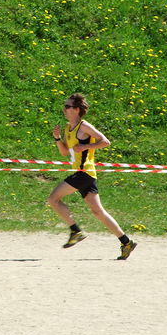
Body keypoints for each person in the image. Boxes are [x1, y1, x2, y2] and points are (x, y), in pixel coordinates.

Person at [47, 93, 137, 260]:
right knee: (97, 211)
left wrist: (86, 146)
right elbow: (65, 152)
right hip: (83, 173)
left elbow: (105, 142)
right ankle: (126, 242)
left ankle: (75, 231)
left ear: (77, 110)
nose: (64, 109)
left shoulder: (84, 126)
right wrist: (57, 138)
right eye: (64, 106)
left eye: (67, 106)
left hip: (84, 172)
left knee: (53, 199)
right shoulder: (68, 128)